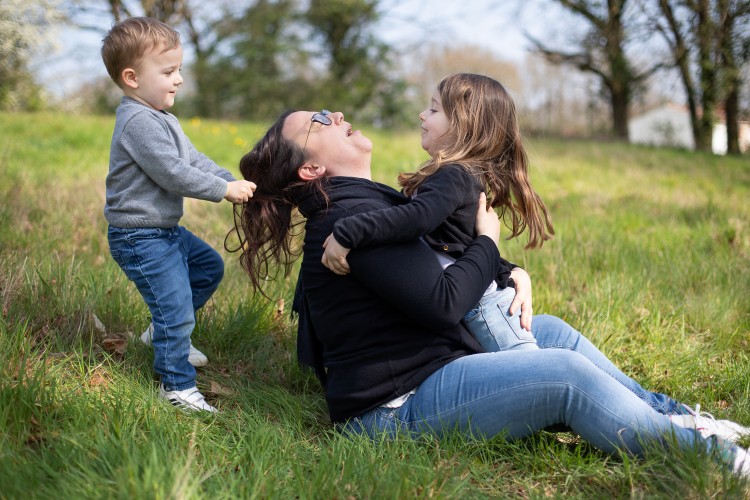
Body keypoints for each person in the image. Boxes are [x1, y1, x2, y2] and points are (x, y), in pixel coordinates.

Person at [233, 108, 750, 478]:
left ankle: (670, 415)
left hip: (438, 361)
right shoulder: (347, 220)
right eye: (318, 121)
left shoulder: (371, 204)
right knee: (564, 376)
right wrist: (488, 239)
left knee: (548, 331)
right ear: (311, 169)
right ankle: (704, 456)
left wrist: (509, 270)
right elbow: (445, 301)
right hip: (393, 411)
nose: (337, 113)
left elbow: (443, 255)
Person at [321, 74, 553, 352]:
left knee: (529, 369)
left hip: (487, 307)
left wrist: (349, 231)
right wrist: (512, 269)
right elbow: (461, 241)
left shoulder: (453, 176)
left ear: (462, 124)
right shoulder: (458, 175)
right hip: (480, 302)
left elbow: (417, 219)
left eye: (433, 109)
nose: (422, 115)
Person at [101, 17, 256, 412]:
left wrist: (226, 177)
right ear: (132, 77)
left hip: (162, 230)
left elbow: (191, 159)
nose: (179, 79)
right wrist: (223, 191)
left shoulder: (163, 118)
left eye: (179, 70)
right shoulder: (137, 121)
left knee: (207, 269)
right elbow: (172, 172)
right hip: (139, 236)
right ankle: (177, 388)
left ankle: (160, 335)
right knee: (175, 309)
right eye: (169, 71)